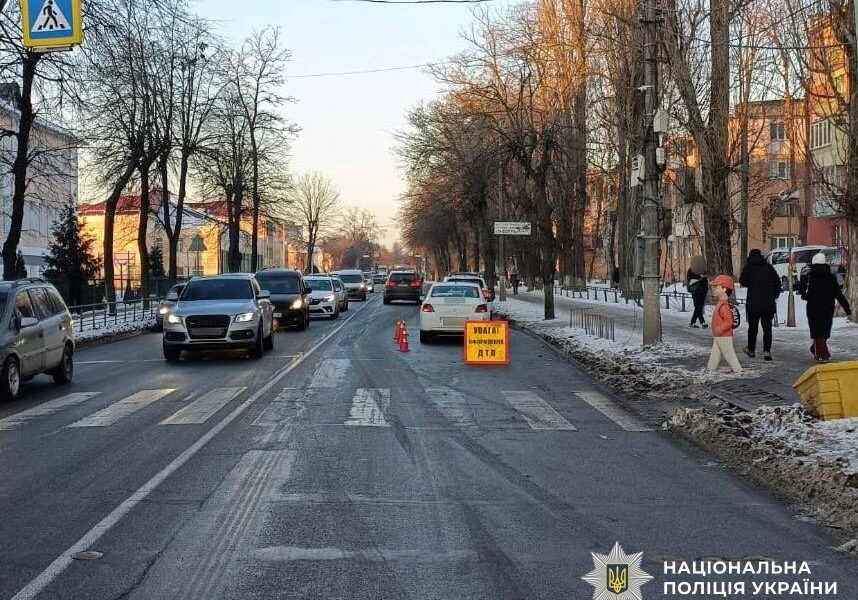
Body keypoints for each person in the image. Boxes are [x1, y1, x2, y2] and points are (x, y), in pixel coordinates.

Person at [802, 252, 851, 363]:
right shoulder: (831, 277)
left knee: (817, 331)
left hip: (813, 308)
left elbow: (805, 292)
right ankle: (818, 350)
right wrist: (846, 307)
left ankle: (823, 354)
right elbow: (838, 294)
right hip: (827, 308)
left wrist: (804, 295)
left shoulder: (810, 276)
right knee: (823, 331)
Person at [739, 248, 782, 361]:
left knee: (753, 327)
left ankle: (751, 350)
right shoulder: (769, 268)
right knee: (767, 328)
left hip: (753, 304)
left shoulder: (749, 268)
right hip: (768, 303)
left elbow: (742, 281)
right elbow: (778, 283)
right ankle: (767, 352)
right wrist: (775, 295)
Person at [706, 274, 742, 374]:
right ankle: (711, 368)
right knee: (715, 353)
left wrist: (720, 329)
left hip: (723, 335)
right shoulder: (721, 304)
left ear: (724, 289)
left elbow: (729, 322)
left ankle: (737, 370)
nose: (713, 289)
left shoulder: (724, 306)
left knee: (728, 353)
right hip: (719, 335)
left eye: (716, 287)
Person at [686, 255, 708, 328]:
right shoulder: (690, 271)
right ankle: (702, 322)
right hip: (695, 291)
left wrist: (706, 290)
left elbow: (705, 281)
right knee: (698, 307)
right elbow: (690, 281)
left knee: (698, 307)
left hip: (703, 292)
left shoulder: (703, 270)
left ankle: (692, 322)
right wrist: (699, 277)